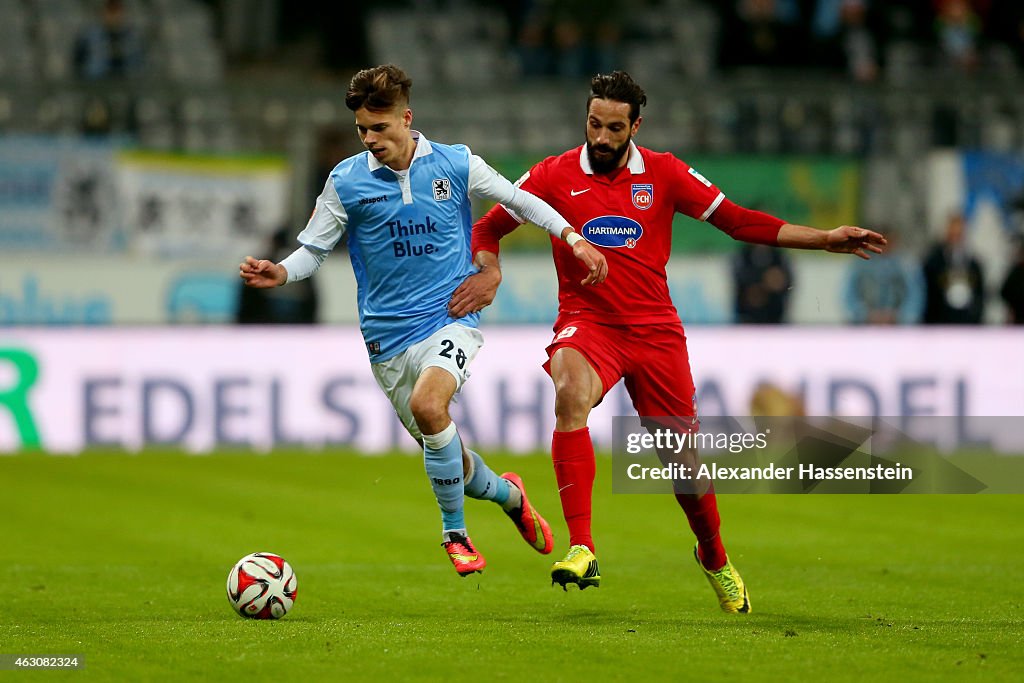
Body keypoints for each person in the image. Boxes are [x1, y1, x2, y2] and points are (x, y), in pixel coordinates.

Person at [451, 71, 886, 612]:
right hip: (590, 324)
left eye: (614, 127)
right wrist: (489, 269)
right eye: (593, 124)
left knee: (685, 469)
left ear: (636, 125)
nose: (602, 138)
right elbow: (487, 226)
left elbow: (737, 222)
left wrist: (822, 238)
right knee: (568, 391)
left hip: (656, 333)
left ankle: (714, 556)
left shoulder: (664, 172)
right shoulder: (552, 175)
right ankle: (582, 545)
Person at [239, 64, 608, 577]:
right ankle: (508, 495)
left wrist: (573, 237)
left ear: (406, 119)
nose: (371, 140)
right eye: (363, 131)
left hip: (449, 317)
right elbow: (313, 250)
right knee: (450, 457)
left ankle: (454, 535)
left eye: (381, 128)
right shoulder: (345, 182)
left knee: (429, 404)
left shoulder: (456, 164)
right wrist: (280, 271)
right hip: (386, 341)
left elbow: (523, 201)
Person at [921, 212, 985, 324]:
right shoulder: (933, 262)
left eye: (959, 234)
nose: (955, 238)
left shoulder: (974, 264)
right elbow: (927, 292)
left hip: (968, 322)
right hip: (939, 322)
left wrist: (976, 317)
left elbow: (980, 294)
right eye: (952, 234)